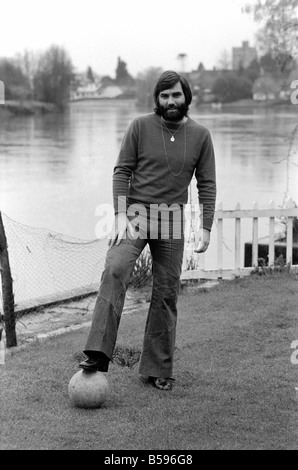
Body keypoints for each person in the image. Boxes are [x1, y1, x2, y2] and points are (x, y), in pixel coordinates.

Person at [79, 70, 216, 391]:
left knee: (166, 292)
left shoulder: (201, 136)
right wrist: (120, 213)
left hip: (171, 219)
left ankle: (157, 368)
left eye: (176, 95)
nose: (171, 101)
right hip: (136, 214)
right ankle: (98, 353)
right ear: (157, 99)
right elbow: (121, 170)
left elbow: (207, 184)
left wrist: (205, 227)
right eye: (165, 95)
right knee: (115, 269)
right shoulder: (139, 127)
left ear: (187, 98)